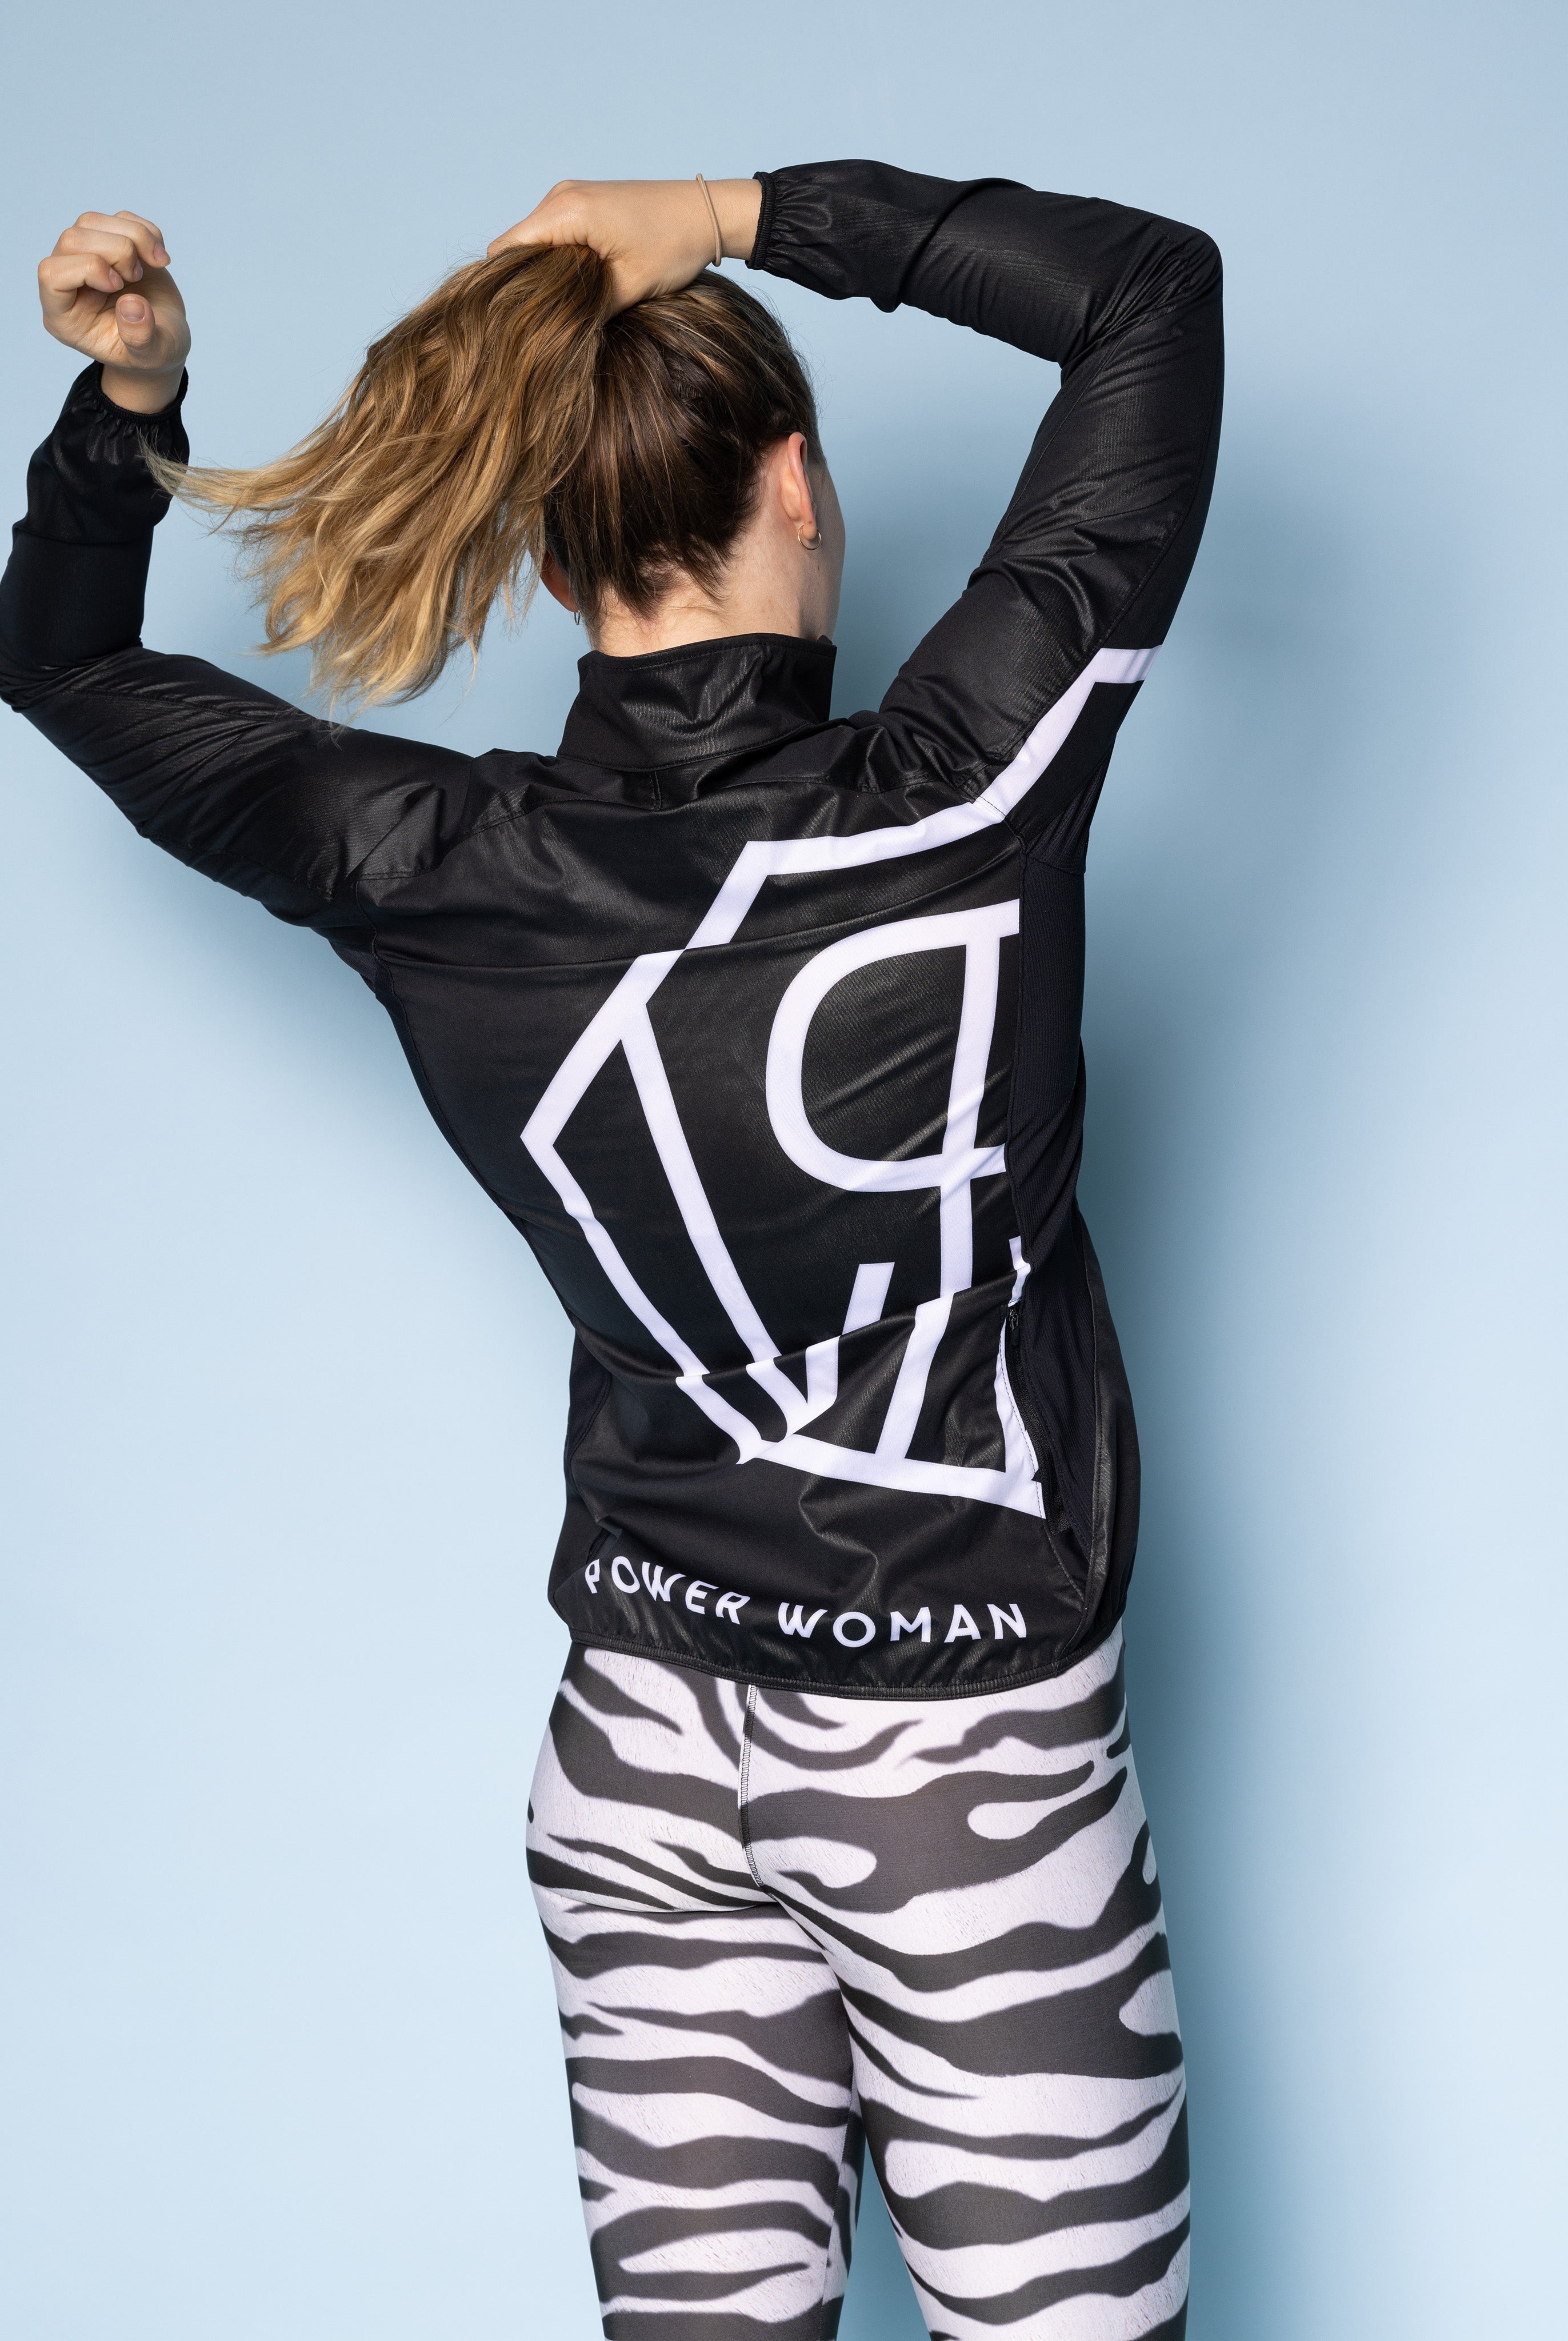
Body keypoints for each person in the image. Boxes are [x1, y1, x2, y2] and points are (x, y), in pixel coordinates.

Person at [2, 163, 1222, 2340]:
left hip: (640, 1748)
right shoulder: (969, 786)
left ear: (553, 562)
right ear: (801, 486)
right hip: (971, 1769)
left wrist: (135, 410)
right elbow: (1148, 294)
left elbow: (62, 659)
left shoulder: (425, 859)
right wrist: (738, 211)